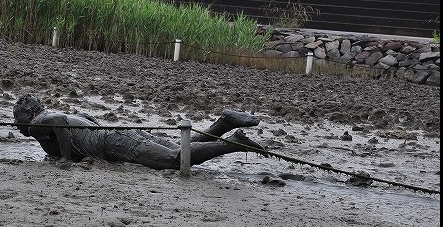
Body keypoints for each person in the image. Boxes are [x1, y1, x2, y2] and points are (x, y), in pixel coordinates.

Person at [13, 93, 268, 170]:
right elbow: (87, 121)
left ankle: (233, 142)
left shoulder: (39, 121)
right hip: (117, 134)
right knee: (177, 146)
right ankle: (224, 123)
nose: (16, 125)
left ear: (27, 114)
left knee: (174, 159)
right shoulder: (69, 114)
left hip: (112, 143)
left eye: (16, 119)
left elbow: (58, 122)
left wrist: (67, 159)